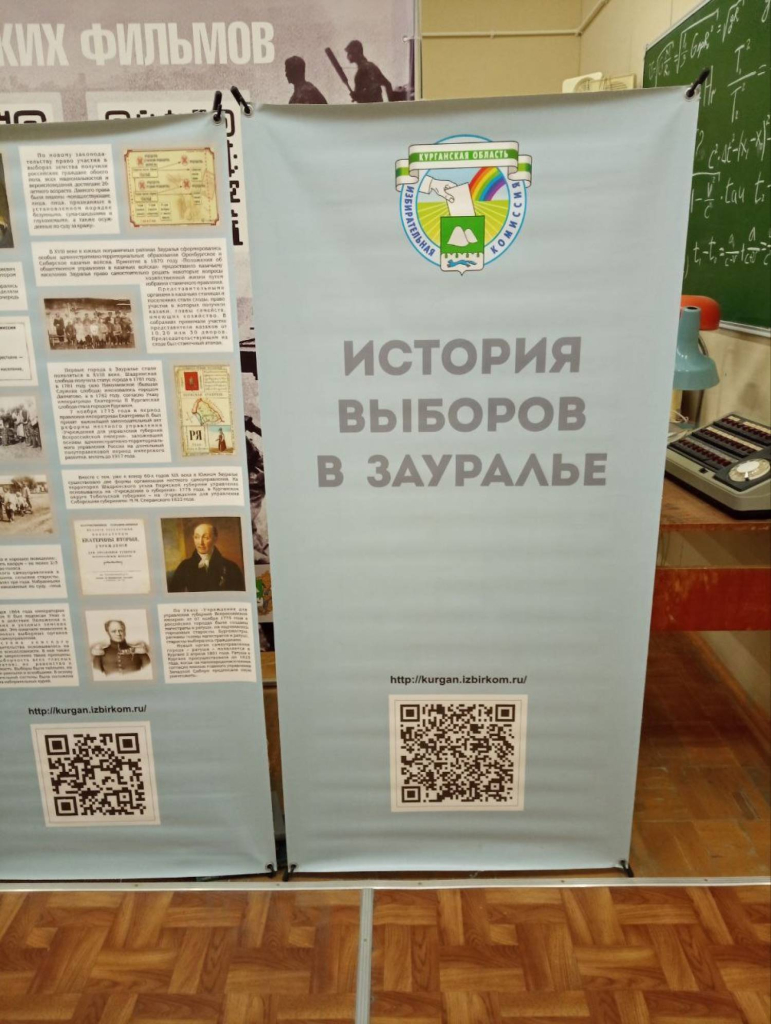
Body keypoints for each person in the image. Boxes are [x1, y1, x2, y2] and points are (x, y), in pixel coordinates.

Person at [168, 521, 245, 592]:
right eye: (197, 537)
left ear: (215, 539)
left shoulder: (231, 567)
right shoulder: (184, 566)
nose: (200, 542)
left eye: (206, 537)